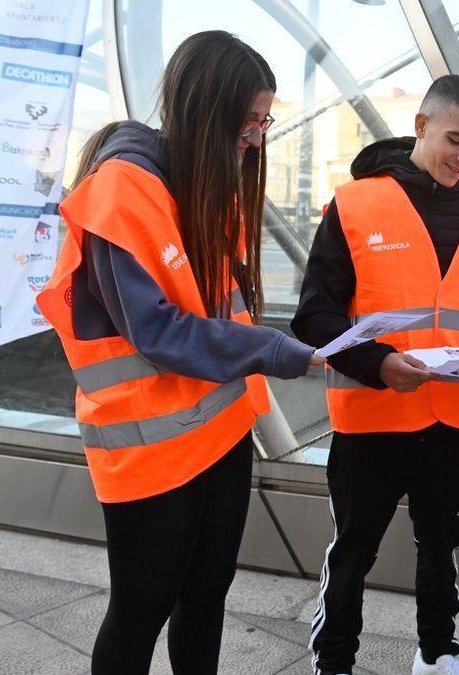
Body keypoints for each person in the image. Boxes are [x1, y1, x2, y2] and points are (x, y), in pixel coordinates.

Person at [35, 31, 322, 674]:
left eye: (264, 120)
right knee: (141, 610)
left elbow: (221, 306)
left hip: (220, 430)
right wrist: (276, 351)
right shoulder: (124, 187)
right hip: (148, 449)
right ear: (206, 108)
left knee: (205, 598)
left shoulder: (205, 187)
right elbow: (157, 332)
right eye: (249, 119)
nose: (256, 136)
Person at [292, 74, 459, 675]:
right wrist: (376, 365)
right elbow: (314, 318)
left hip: (452, 421)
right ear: (421, 125)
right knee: (352, 553)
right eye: (456, 139)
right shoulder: (355, 203)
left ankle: (438, 654)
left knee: (442, 550)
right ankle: (334, 661)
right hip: (370, 418)